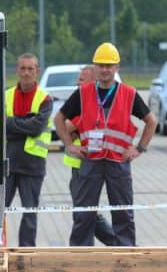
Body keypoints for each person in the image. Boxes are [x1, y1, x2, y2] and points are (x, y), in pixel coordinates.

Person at [55, 42, 156, 247]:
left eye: (109, 65)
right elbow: (59, 118)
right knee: (84, 214)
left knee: (123, 214)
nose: (104, 70)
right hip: (90, 161)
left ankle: (126, 260)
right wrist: (69, 145)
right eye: (100, 65)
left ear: (117, 68)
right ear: (95, 67)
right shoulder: (83, 93)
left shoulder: (128, 94)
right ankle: (81, 263)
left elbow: (151, 121)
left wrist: (139, 148)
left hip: (118, 163)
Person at [63, 65, 117, 248]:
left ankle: (121, 247)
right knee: (84, 215)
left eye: (82, 79)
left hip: (88, 167)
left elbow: (69, 127)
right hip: (77, 166)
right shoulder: (80, 101)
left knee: (84, 215)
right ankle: (121, 247)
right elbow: (63, 126)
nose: (77, 83)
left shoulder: (92, 103)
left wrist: (72, 129)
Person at [4, 53, 52, 247]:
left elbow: (36, 128)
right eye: (22, 68)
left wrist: (13, 125)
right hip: (7, 163)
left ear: (37, 71)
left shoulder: (44, 99)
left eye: (30, 69)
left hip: (32, 166)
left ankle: (26, 253)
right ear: (17, 70)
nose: (26, 73)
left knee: (30, 214)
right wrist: (25, 124)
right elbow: (2, 124)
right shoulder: (6, 95)